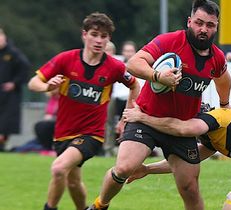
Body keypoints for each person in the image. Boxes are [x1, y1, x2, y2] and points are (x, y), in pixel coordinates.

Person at [88, 1, 231, 210]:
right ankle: (100, 205)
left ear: (216, 27)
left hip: (180, 128)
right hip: (145, 118)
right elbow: (134, 63)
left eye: (209, 25)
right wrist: (157, 76)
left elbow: (224, 79)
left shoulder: (216, 57)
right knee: (124, 167)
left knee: (190, 188)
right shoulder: (170, 41)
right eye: (199, 23)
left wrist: (225, 105)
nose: (203, 29)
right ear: (189, 22)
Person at [27, 12, 141, 210]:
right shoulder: (66, 59)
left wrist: (126, 117)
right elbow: (33, 82)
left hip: (91, 135)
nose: (99, 40)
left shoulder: (114, 66)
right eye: (94, 34)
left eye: (104, 36)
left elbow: (135, 85)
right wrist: (47, 86)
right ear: (84, 35)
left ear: (108, 39)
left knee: (58, 168)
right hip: (63, 133)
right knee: (72, 180)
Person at [104, 40, 137, 156]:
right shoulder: (117, 62)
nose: (128, 53)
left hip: (130, 97)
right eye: (126, 51)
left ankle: (128, 150)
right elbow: (106, 55)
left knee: (129, 123)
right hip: (115, 97)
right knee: (109, 123)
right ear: (122, 52)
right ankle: (108, 149)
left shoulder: (138, 65)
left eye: (131, 51)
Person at [0, 27, 30, 151]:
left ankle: (2, 144)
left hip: (9, 95)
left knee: (6, 123)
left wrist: (14, 83)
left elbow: (25, 66)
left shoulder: (13, 53)